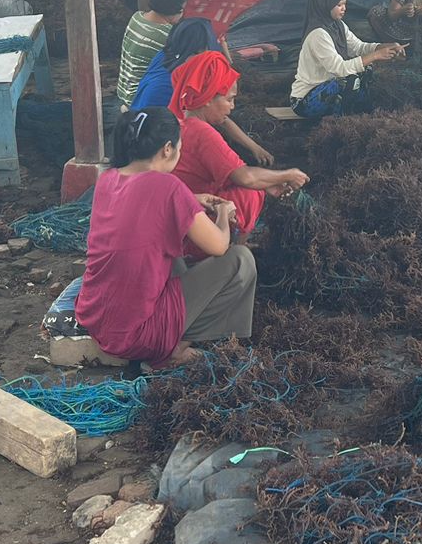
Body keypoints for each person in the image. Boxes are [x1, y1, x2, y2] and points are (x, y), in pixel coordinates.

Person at [71, 108, 257, 369]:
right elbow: (219, 245)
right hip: (138, 335)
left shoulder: (108, 179)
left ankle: (168, 336)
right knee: (241, 260)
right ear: (167, 149)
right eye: (180, 147)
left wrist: (192, 200)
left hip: (97, 319)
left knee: (170, 254)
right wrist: (224, 213)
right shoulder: (168, 186)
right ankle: (174, 351)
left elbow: (143, 203)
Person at [170, 50, 309, 240]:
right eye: (229, 99)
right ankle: (232, 250)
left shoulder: (179, 121)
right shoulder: (202, 133)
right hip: (193, 228)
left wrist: (269, 183)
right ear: (208, 99)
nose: (233, 106)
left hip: (179, 213)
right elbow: (246, 177)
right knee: (250, 194)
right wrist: (288, 175)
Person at [132, 18, 275, 165]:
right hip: (149, 144)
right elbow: (219, 116)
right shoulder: (187, 82)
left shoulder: (168, 55)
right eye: (209, 47)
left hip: (135, 122)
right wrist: (254, 148)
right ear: (199, 49)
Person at [291, 0, 403, 119]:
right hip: (305, 101)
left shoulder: (338, 25)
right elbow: (339, 69)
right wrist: (375, 55)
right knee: (347, 80)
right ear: (324, 4)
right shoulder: (318, 34)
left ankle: (360, 111)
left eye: (344, 4)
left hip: (328, 88)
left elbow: (358, 47)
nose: (344, 8)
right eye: (339, 5)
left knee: (365, 71)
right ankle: (344, 117)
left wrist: (382, 46)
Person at [116, 0, 189, 109]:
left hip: (123, 93)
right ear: (174, 9)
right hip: (141, 99)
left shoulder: (137, 18)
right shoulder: (168, 36)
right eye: (182, 10)